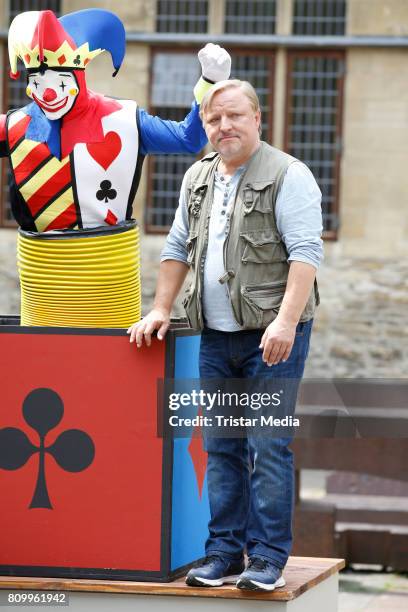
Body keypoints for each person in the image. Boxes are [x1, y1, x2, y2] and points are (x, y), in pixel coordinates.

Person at [128, 79, 323, 592]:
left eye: (234, 116)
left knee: (268, 445)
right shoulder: (196, 176)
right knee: (220, 447)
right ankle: (223, 553)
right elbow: (175, 246)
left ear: (258, 119)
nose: (224, 127)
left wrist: (284, 321)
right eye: (214, 120)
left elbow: (306, 254)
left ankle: (267, 557)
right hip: (215, 335)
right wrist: (161, 308)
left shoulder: (289, 174)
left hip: (272, 339)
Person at [0, 8, 231, 231]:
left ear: (78, 77)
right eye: (38, 83)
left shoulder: (124, 119)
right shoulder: (14, 126)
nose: (48, 94)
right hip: (40, 267)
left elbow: (187, 139)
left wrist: (209, 84)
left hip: (109, 266)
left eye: (60, 82)